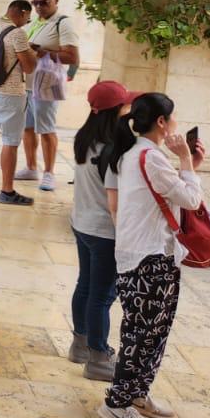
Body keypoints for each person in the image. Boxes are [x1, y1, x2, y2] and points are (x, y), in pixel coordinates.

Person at [96, 92, 203, 418]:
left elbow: (171, 195)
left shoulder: (139, 155)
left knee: (155, 331)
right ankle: (116, 404)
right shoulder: (149, 157)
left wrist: (187, 167)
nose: (174, 124)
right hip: (148, 258)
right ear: (161, 122)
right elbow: (191, 198)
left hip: (153, 255)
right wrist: (185, 157)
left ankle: (138, 394)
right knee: (141, 335)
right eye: (171, 118)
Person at [67, 80, 138, 382]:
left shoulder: (84, 139)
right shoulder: (114, 151)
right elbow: (118, 201)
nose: (129, 109)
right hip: (103, 231)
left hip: (82, 223)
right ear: (116, 111)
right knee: (101, 296)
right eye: (125, 105)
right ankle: (98, 357)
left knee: (85, 286)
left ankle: (80, 345)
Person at [16, 0, 79, 191]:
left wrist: (44, 51)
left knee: (46, 129)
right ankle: (31, 167)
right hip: (26, 83)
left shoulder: (63, 23)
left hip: (46, 84)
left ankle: (49, 173)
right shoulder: (35, 21)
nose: (39, 6)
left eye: (45, 2)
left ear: (56, 0)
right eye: (36, 2)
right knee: (27, 127)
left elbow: (72, 57)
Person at [0, 0, 37, 206]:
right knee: (10, 142)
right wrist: (31, 52)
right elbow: (29, 67)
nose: (27, 22)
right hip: (11, 95)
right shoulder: (18, 34)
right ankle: (7, 191)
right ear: (21, 13)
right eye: (27, 18)